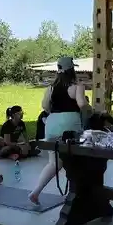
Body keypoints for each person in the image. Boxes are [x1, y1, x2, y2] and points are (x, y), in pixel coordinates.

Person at [28, 57, 87, 205]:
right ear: (72, 69)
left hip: (52, 125)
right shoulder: (77, 86)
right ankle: (78, 195)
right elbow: (82, 104)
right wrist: (91, 111)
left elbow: (45, 106)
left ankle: (35, 192)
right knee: (77, 160)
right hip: (70, 126)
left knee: (54, 162)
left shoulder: (51, 88)